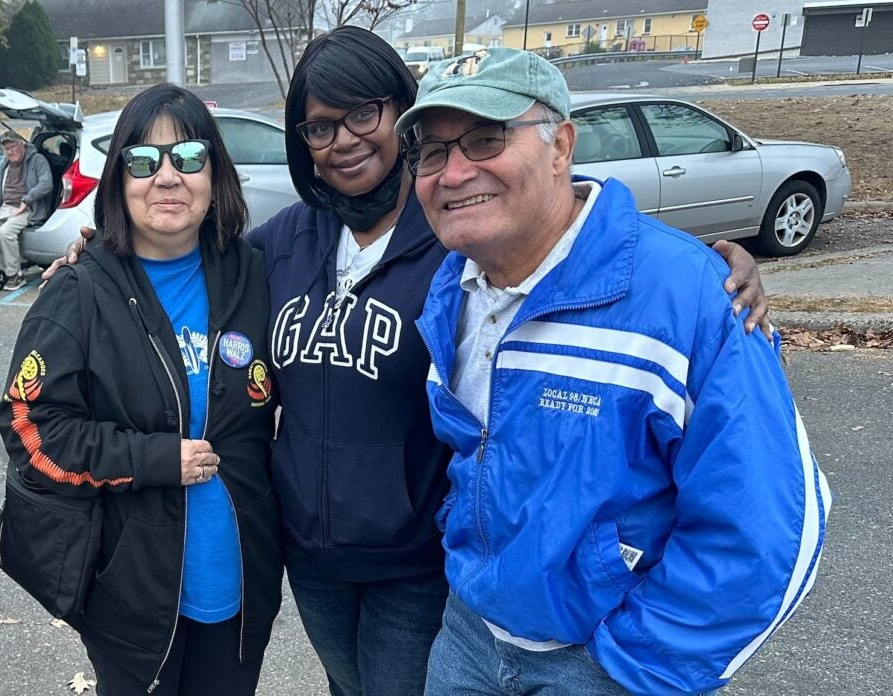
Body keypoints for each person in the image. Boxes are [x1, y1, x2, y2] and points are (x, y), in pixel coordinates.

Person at [46, 28, 770, 696]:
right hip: (312, 555)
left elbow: (565, 239)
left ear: (402, 114)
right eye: (321, 126)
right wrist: (97, 250)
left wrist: (711, 263)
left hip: (415, 561)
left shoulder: (458, 228)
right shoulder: (284, 242)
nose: (344, 140)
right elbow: (190, 257)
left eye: (366, 114)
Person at [393, 47, 832, 696]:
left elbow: (770, 533)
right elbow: (475, 450)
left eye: (486, 139)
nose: (454, 171)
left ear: (561, 145)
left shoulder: (686, 296)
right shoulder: (453, 287)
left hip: (602, 661)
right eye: (433, 151)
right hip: (470, 638)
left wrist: (634, 668)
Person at [0, 84, 282, 695]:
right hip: (131, 599)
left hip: (239, 592)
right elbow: (29, 426)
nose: (168, 178)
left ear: (216, 173)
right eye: (143, 161)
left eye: (189, 157)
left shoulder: (256, 274)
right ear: (120, 181)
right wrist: (151, 458)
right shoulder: (80, 292)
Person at [0, 130, 52, 290]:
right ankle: (8, 269)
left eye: (13, 147)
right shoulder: (4, 165)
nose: (10, 152)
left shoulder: (37, 160)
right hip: (6, 208)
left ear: (22, 144)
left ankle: (15, 276)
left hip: (29, 208)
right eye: (6, 149)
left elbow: (46, 184)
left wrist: (27, 200)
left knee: (5, 232)